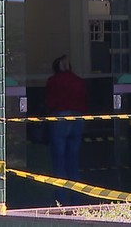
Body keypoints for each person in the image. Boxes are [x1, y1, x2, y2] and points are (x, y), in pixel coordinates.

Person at [45, 54, 87, 204]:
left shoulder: (53, 81)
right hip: (78, 119)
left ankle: (61, 202)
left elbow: (49, 102)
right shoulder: (79, 81)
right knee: (73, 163)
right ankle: (76, 200)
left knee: (59, 163)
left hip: (60, 119)